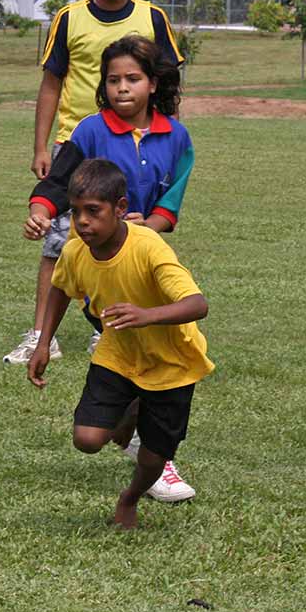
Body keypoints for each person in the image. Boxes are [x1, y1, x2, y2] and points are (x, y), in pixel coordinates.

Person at [24, 34, 197, 502]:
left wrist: (144, 229)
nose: (122, 88)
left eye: (133, 78)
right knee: (132, 357)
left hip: (145, 272)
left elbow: (169, 205)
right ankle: (144, 444)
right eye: (113, 79)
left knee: (150, 358)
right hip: (101, 276)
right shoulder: (90, 131)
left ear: (153, 83)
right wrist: (40, 210)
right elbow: (59, 183)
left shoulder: (176, 138)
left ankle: (149, 447)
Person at [6, 0, 183, 367]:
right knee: (58, 244)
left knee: (126, 238)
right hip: (77, 142)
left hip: (135, 144)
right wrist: (41, 147)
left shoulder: (152, 18)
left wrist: (166, 138)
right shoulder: (69, 18)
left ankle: (109, 327)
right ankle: (42, 336)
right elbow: (51, 82)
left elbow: (168, 83)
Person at [26, 159, 213, 529]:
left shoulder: (148, 247)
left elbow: (198, 304)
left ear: (120, 208)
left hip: (172, 364)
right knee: (87, 439)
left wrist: (147, 314)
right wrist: (43, 343)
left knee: (153, 459)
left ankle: (130, 497)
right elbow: (61, 288)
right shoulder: (76, 251)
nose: (82, 222)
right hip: (119, 354)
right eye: (76, 212)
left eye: (93, 211)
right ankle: (130, 408)